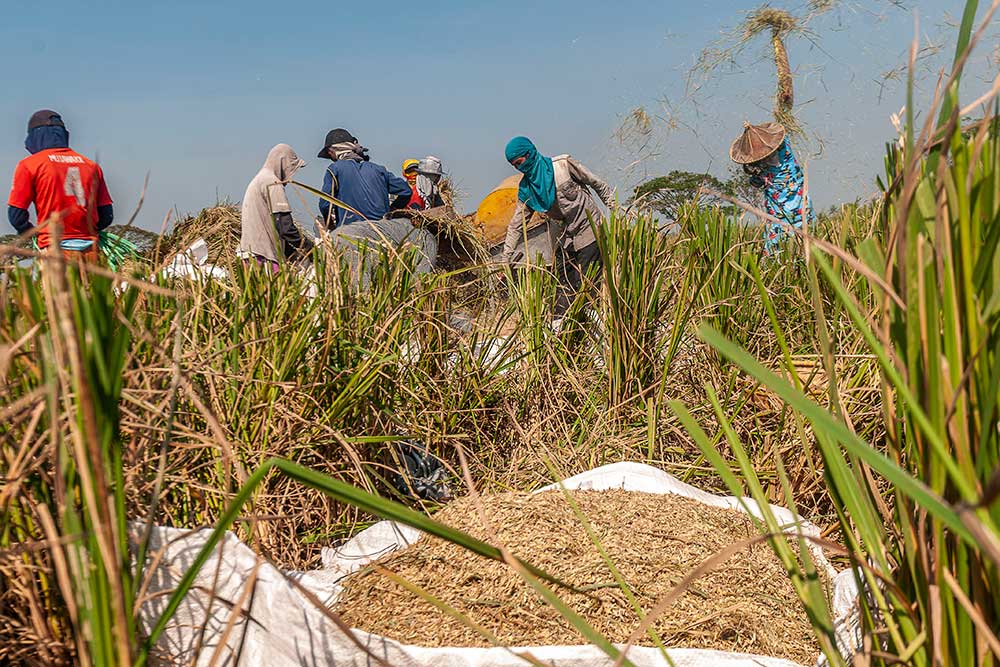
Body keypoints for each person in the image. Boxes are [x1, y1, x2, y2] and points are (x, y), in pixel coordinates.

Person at [501, 136, 614, 300]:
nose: (520, 168)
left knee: (587, 285)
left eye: (520, 162)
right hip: (566, 239)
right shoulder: (527, 190)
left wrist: (616, 208)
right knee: (563, 286)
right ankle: (565, 323)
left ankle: (595, 319)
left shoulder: (563, 166)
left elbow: (596, 183)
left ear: (529, 153)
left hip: (590, 231)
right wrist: (506, 259)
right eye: (515, 166)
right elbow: (516, 226)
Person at [7, 109, 113, 263]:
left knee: (55, 288)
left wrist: (34, 234)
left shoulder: (30, 165)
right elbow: (106, 215)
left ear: (35, 135)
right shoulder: (91, 166)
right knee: (90, 288)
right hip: (91, 252)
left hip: (54, 250)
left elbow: (16, 216)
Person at [729, 121, 813, 254]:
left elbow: (755, 181)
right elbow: (781, 128)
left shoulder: (771, 161)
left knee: (778, 241)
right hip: (798, 206)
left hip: (785, 210)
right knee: (803, 238)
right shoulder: (784, 150)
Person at [238, 144, 314, 271]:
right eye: (291, 169)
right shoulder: (272, 183)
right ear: (283, 164)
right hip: (263, 256)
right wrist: (311, 250)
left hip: (248, 254)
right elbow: (285, 227)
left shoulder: (259, 179)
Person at [316, 128, 412, 228]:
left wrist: (330, 224)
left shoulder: (334, 169)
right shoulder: (379, 170)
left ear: (331, 152)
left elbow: (324, 204)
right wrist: (393, 210)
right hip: (382, 230)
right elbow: (406, 191)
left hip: (351, 231)